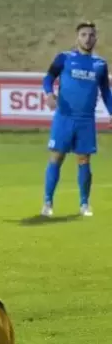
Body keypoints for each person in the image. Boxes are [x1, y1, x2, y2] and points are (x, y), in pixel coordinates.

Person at [41, 21, 112, 217]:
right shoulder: (64, 58)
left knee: (84, 160)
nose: (87, 38)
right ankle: (47, 202)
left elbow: (106, 92)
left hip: (85, 120)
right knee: (56, 157)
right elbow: (48, 78)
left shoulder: (100, 64)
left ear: (95, 38)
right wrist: (48, 93)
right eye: (83, 35)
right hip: (64, 117)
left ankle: (84, 204)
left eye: (91, 35)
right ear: (77, 37)